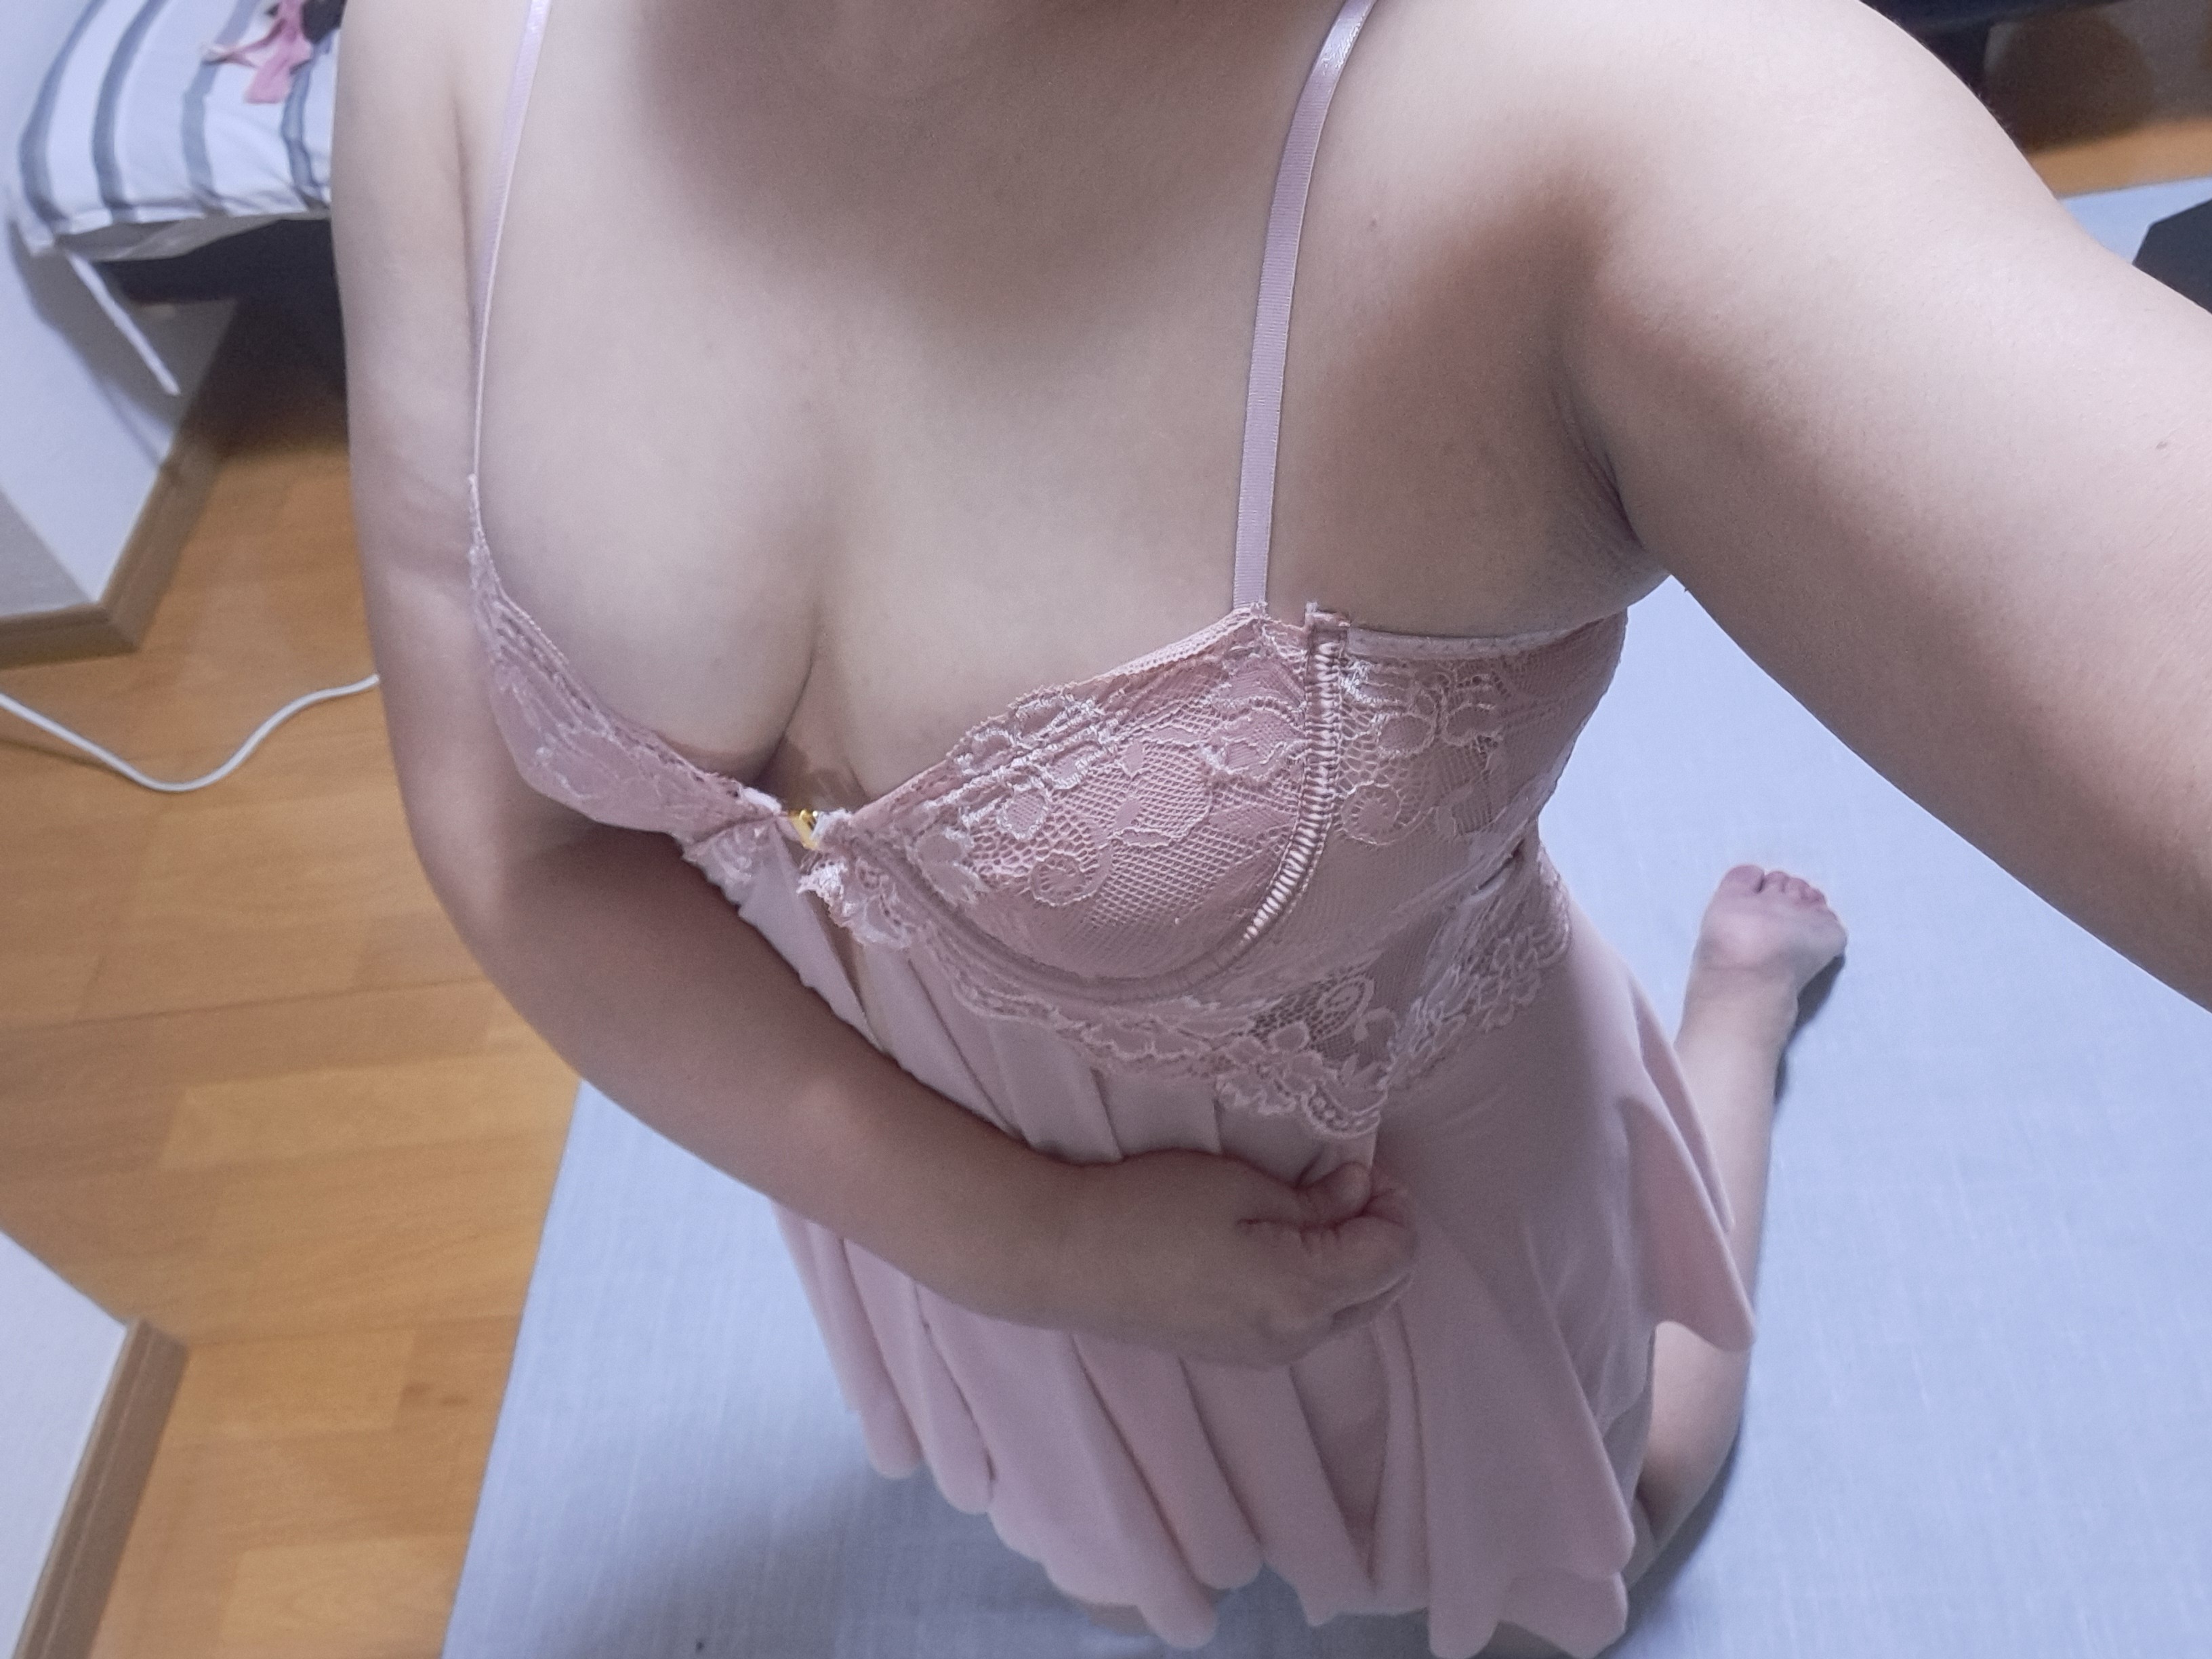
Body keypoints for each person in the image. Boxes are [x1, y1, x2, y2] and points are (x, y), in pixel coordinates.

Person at [331, 0, 2212, 1650]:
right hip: (912, 1212)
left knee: (1601, 1534)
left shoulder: (1599, 99)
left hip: (1404, 1221)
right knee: (1099, 1543)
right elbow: (524, 851)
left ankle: (1736, 1016)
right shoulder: (458, 45)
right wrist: (1021, 1248)